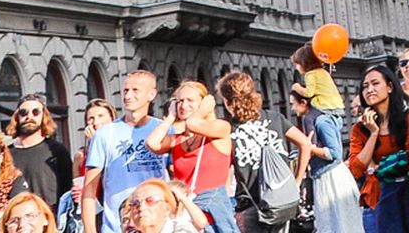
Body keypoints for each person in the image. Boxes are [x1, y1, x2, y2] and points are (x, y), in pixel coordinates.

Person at [84, 72, 173, 233]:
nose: (128, 95)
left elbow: (176, 178)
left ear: (151, 94)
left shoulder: (163, 129)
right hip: (116, 227)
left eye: (135, 90)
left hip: (157, 226)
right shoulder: (105, 134)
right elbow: (89, 190)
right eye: (125, 91)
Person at [149, 81, 236, 233]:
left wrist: (203, 111)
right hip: (186, 220)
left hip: (214, 219)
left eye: (190, 100)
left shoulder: (220, 127)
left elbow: (193, 123)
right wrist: (170, 117)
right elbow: (152, 143)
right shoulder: (177, 139)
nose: (183, 105)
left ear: (204, 104)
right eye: (180, 101)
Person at [349, 60, 409, 233]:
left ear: (389, 87)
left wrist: (379, 166)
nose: (369, 90)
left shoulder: (408, 119)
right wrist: (373, 133)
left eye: (375, 84)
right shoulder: (360, 129)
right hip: (378, 199)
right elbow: (356, 168)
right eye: (365, 86)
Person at [289, 68, 365, 233]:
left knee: (342, 224)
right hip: (322, 176)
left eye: (293, 104)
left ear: (304, 103)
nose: (292, 109)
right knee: (329, 225)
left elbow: (334, 153)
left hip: (334, 178)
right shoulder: (311, 121)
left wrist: (311, 149)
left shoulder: (322, 121)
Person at [218, 71, 283, 233]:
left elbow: (226, 171)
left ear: (227, 101)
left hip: (249, 203)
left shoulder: (228, 128)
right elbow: (304, 143)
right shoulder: (274, 118)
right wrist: (295, 182)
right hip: (280, 199)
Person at [9, 96, 75, 207]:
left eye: (36, 112)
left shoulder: (56, 151)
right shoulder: (5, 154)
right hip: (15, 219)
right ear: (17, 117)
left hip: (50, 218)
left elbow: (67, 189)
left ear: (43, 116)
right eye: (23, 112)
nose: (29, 116)